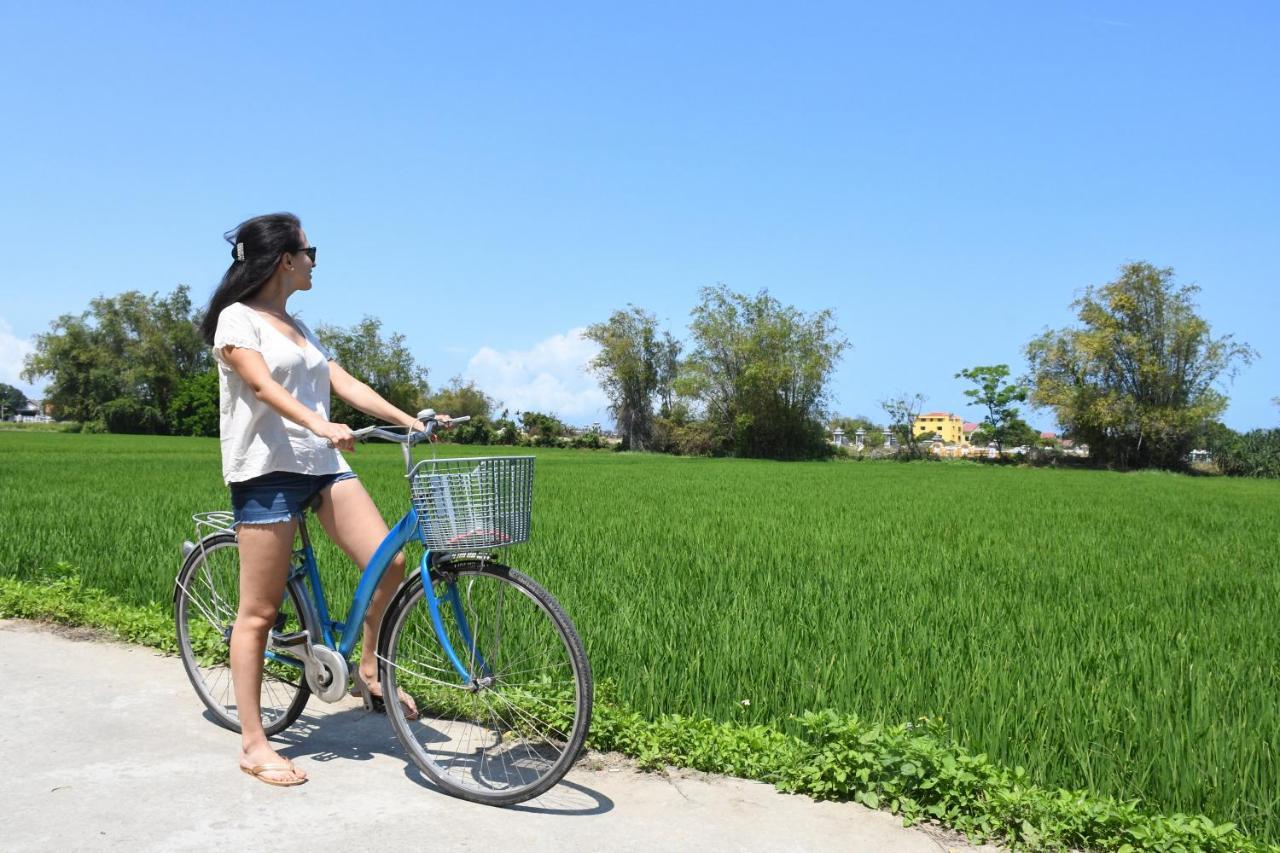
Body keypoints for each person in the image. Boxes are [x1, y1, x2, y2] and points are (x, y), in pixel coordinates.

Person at [198, 213, 448, 787]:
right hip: (267, 471)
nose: (315, 261)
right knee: (258, 613)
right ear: (285, 259)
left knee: (392, 560)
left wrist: (410, 420)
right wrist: (320, 423)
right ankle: (255, 742)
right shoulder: (237, 320)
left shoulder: (299, 326)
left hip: (321, 464)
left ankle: (367, 669)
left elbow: (343, 382)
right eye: (311, 252)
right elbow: (261, 385)